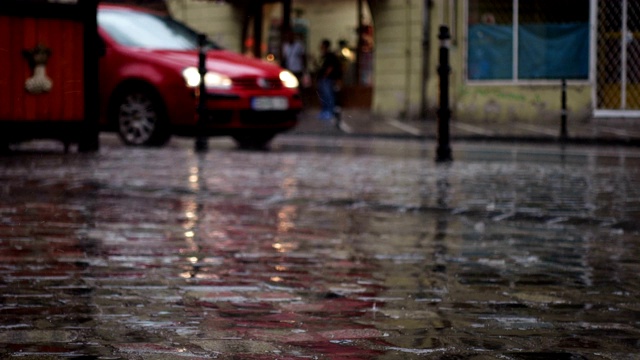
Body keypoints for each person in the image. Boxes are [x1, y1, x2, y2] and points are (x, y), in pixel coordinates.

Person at [316, 39, 342, 121]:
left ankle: (329, 112)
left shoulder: (329, 55)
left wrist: (325, 76)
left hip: (327, 79)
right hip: (323, 78)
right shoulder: (324, 55)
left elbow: (330, 67)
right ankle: (325, 111)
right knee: (324, 95)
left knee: (328, 95)